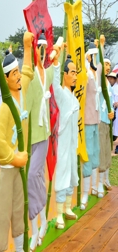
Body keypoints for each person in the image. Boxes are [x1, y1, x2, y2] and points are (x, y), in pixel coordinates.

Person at [0, 32, 33, 252]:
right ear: (6, 79)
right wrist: (14, 158)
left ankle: (18, 247)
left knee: (19, 207)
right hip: (11, 165)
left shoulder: (22, 93)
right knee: (3, 210)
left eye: (17, 72)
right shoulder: (6, 106)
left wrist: (27, 47)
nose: (18, 76)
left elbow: (28, 72)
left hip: (22, 163)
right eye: (13, 73)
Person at [25, 30, 55, 249]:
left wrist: (59, 51)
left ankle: (37, 222)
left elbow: (58, 63)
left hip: (43, 134)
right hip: (28, 136)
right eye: (39, 48)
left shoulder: (48, 73)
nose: (42, 52)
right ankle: (40, 221)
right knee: (35, 178)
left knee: (33, 175)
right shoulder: (29, 74)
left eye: (45, 48)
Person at [52, 53, 79, 230]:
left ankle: (68, 207)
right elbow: (54, 84)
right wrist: (56, 64)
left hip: (72, 142)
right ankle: (59, 213)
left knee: (71, 172)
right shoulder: (61, 94)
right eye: (73, 72)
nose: (75, 76)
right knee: (62, 173)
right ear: (65, 74)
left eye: (76, 73)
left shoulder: (74, 96)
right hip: (62, 141)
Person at [81, 42, 101, 210]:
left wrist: (99, 45)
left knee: (95, 151)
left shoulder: (97, 73)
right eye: (92, 55)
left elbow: (101, 65)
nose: (95, 59)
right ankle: (85, 192)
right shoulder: (86, 74)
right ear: (88, 57)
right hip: (87, 119)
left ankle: (94, 186)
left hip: (96, 119)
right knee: (87, 153)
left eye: (96, 55)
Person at [97, 48, 114, 196]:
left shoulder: (108, 85)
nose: (107, 67)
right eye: (105, 64)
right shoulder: (100, 82)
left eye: (109, 65)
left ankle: (106, 179)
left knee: (107, 151)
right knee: (101, 151)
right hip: (100, 121)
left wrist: (112, 113)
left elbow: (112, 102)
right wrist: (100, 48)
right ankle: (100, 182)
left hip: (108, 121)